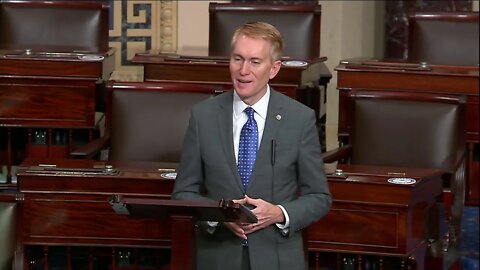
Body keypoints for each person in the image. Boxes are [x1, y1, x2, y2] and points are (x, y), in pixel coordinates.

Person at [171, 21, 331, 270]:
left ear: (274, 68)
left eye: (255, 62)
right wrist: (218, 216)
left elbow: (319, 197)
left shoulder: (299, 119)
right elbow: (183, 193)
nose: (243, 70)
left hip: (277, 258)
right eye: (238, 59)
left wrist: (279, 213)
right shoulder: (203, 117)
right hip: (218, 257)